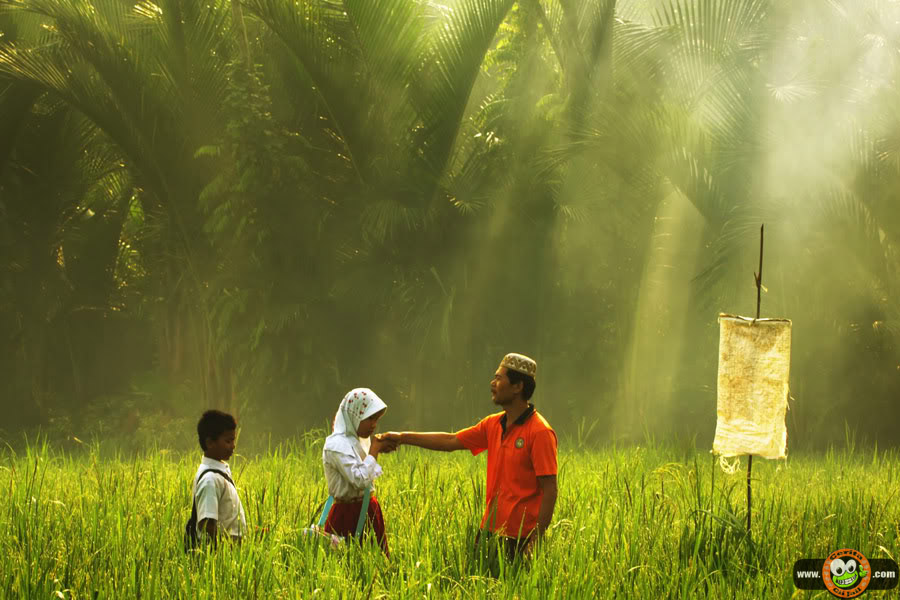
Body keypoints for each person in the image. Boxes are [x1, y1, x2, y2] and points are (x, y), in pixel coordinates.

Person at [383, 353, 557, 561]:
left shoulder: (540, 432)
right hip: (489, 531)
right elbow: (450, 441)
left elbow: (550, 490)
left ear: (518, 386)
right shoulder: (492, 424)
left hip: (521, 537)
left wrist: (535, 540)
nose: (493, 383)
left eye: (499, 378)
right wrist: (402, 437)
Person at [322, 388, 397, 555]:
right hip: (347, 514)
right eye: (370, 418)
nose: (374, 424)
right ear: (355, 415)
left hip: (369, 510)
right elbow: (359, 479)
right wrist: (375, 450)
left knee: (375, 565)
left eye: (376, 419)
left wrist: (378, 449)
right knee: (347, 563)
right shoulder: (336, 445)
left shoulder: (358, 441)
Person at [193, 409, 247, 547]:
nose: (233, 446)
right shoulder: (210, 480)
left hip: (234, 553)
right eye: (228, 441)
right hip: (222, 555)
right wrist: (218, 557)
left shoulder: (220, 472)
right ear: (210, 443)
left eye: (233, 440)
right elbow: (207, 524)